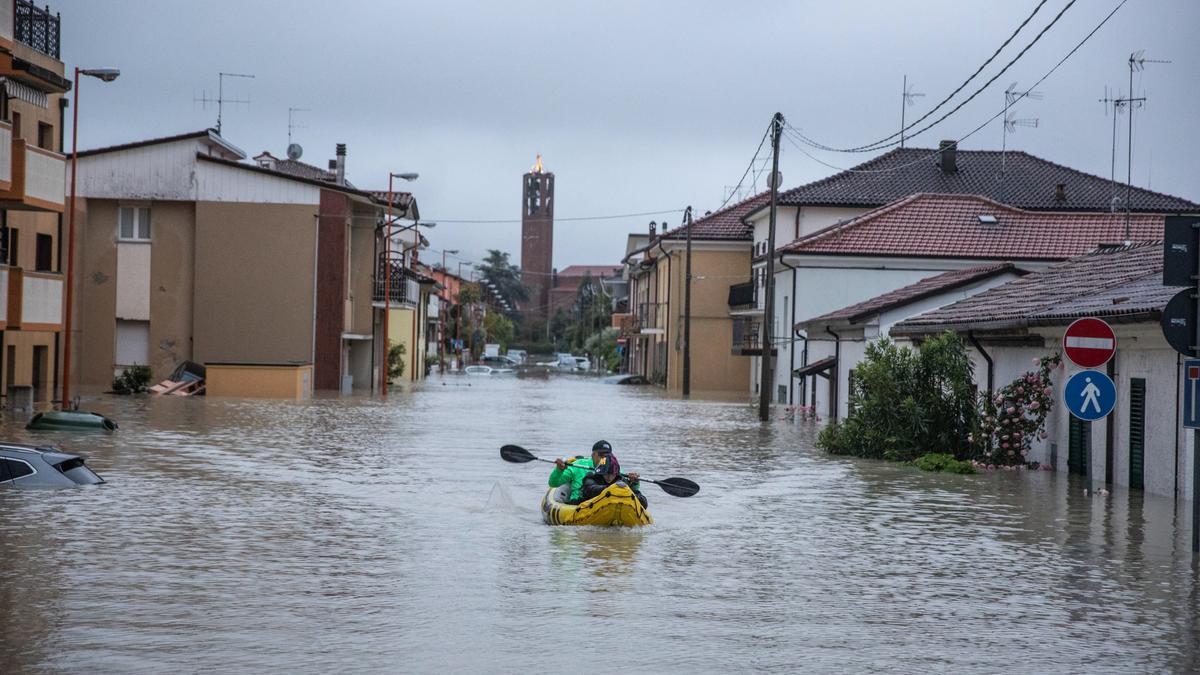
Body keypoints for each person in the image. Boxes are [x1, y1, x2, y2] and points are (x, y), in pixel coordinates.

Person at [581, 440, 647, 508]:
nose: (609, 477)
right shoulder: (591, 478)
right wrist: (614, 488)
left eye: (612, 474)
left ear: (616, 473)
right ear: (601, 472)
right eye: (606, 474)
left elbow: (644, 503)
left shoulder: (622, 481)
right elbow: (591, 490)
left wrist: (632, 486)